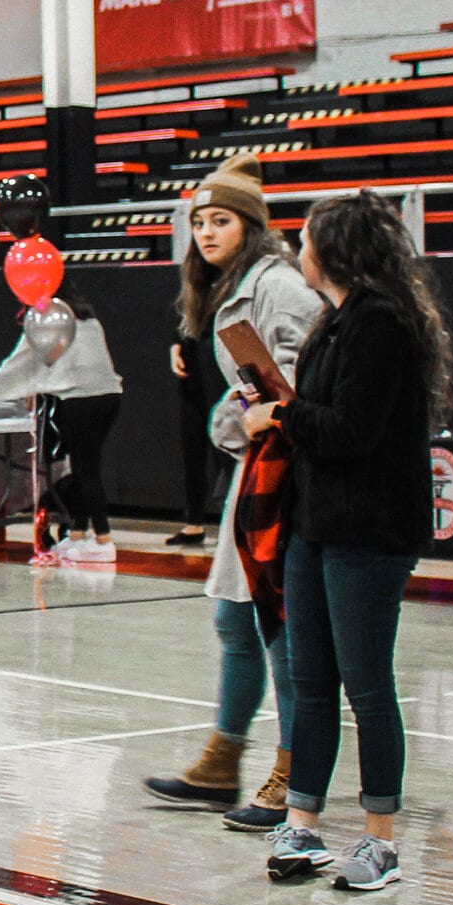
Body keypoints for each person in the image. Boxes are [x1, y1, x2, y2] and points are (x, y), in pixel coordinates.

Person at [248, 191, 453, 893]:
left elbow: (351, 432)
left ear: (334, 248)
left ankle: (381, 840)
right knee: (310, 684)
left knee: (368, 687)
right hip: (317, 525)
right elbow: (321, 421)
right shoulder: (334, 324)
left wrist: (283, 410)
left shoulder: (382, 327)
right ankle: (302, 825)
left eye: (304, 239)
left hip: (370, 531)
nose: (295, 250)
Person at [141, 155, 328, 830]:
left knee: (277, 626)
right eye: (198, 221)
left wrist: (254, 413)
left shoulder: (281, 286)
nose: (206, 232)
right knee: (231, 617)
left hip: (288, 470)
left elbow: (310, 372)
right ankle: (222, 760)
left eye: (220, 219)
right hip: (254, 464)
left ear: (250, 226)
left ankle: (293, 772)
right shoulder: (223, 289)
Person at [0, 272, 122, 562]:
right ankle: (78, 534)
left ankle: (104, 540)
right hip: (110, 398)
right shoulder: (89, 319)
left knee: (86, 469)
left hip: (79, 401)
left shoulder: (45, 318)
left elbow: (16, 364)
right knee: (82, 468)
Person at [169, 326, 232, 548]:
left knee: (224, 451)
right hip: (193, 375)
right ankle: (193, 521)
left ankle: (231, 521)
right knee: (192, 451)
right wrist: (176, 345)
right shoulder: (191, 297)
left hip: (218, 369)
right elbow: (181, 314)